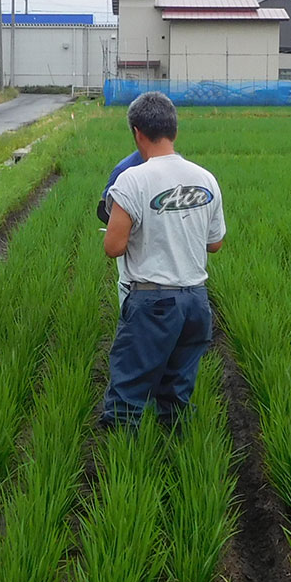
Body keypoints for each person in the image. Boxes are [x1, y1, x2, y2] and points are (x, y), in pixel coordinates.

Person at [100, 92, 225, 429]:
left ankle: (124, 467)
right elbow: (215, 244)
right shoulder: (205, 178)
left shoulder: (132, 179)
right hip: (196, 302)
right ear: (175, 130)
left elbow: (113, 246)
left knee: (128, 394)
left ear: (137, 132)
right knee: (176, 396)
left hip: (153, 303)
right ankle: (177, 459)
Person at [97, 147, 145, 308]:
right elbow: (103, 210)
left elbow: (113, 248)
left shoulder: (125, 169)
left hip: (146, 282)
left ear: (137, 133)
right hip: (186, 285)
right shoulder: (125, 169)